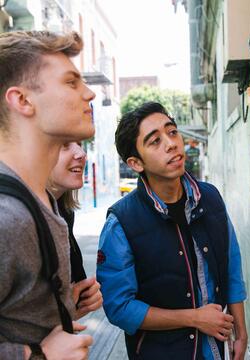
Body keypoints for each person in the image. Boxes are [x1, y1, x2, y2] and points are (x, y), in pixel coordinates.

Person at [97, 102, 248, 360]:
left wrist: (241, 332)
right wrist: (194, 318)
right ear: (135, 163)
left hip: (214, 350)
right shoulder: (121, 221)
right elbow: (119, 307)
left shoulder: (209, 198)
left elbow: (231, 265)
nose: (171, 143)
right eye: (155, 141)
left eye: (172, 131)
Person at [0, 30, 95, 359]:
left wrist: (64, 306)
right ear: (22, 100)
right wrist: (38, 355)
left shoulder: (45, 200)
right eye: (71, 82)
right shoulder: (6, 219)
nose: (90, 94)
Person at [49, 141, 103, 319]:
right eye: (64, 144)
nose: (81, 153)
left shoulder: (65, 211)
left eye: (80, 144)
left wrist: (74, 308)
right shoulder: (13, 218)